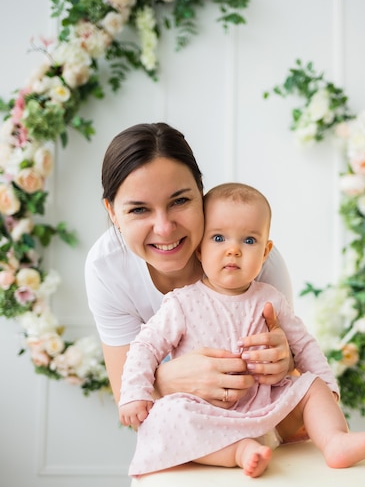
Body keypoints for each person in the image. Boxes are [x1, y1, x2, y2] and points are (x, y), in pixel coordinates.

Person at [118, 182, 365, 478]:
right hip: (207, 411)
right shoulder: (181, 303)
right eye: (219, 238)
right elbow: (145, 347)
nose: (233, 250)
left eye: (248, 241)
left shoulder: (270, 298)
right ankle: (238, 450)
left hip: (265, 404)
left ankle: (334, 441)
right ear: (199, 249)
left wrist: (327, 385)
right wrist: (135, 392)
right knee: (166, 415)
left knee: (311, 386)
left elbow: (303, 345)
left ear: (265, 251)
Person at [85, 122, 304, 442]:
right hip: (183, 432)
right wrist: (168, 379)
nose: (164, 228)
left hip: (258, 423)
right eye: (139, 209)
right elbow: (129, 403)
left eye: (179, 201)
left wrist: (284, 362)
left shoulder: (251, 258)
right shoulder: (108, 269)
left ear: (200, 192)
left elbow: (292, 381)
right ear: (113, 212)